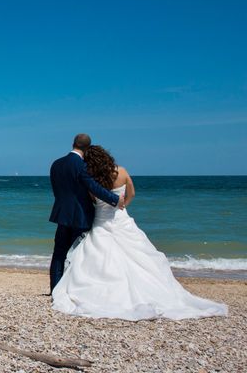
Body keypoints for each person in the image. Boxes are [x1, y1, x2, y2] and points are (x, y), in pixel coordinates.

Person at [52, 145, 228, 320]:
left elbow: (92, 199)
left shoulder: (92, 178)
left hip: (101, 222)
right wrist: (123, 207)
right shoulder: (121, 171)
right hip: (121, 219)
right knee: (140, 257)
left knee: (99, 258)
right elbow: (132, 193)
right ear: (107, 156)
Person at [48, 134, 125, 292]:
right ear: (87, 148)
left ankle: (55, 289)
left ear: (73, 144)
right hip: (80, 214)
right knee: (77, 252)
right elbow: (93, 187)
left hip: (62, 213)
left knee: (59, 252)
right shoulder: (81, 166)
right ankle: (71, 288)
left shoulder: (56, 164)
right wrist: (115, 200)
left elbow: (57, 190)